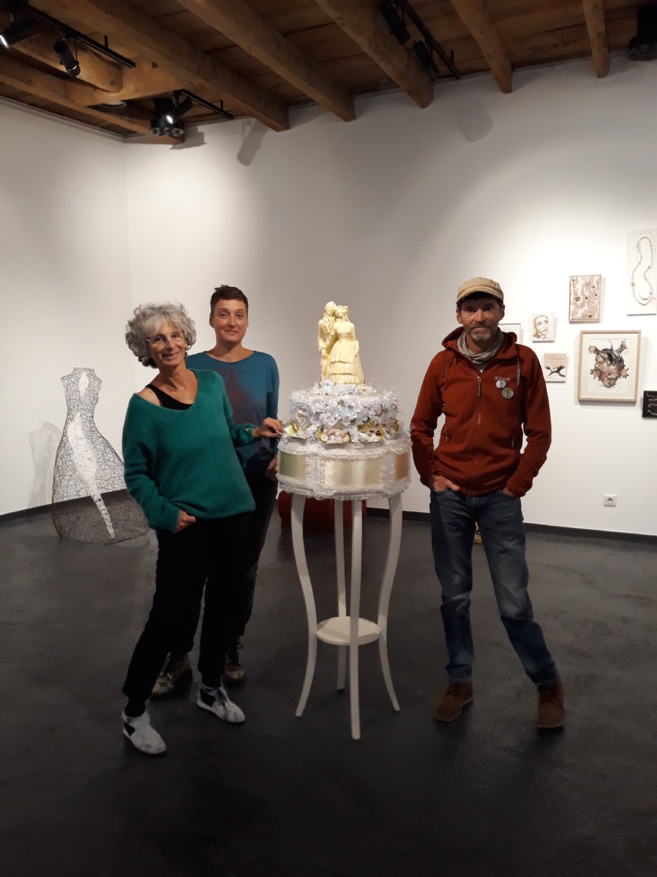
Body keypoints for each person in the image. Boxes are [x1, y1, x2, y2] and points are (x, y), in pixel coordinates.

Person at [121, 302, 282, 755]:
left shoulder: (210, 383)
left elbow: (227, 430)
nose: (169, 344)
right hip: (186, 526)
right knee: (168, 617)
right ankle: (133, 713)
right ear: (145, 349)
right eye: (158, 339)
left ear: (187, 339)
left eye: (175, 335)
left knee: (223, 609)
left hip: (235, 513)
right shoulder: (144, 406)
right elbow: (136, 475)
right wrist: (164, 513)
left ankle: (211, 689)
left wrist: (254, 432)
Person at [410, 277, 564, 729]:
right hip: (451, 497)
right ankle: (460, 682)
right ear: (459, 315)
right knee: (454, 598)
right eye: (470, 308)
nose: (479, 316)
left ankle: (548, 684)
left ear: (501, 312)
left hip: (500, 497)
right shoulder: (442, 364)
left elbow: (540, 433)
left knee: (514, 603)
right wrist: (430, 476)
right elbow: (420, 427)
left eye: (487, 307)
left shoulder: (522, 362)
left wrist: (517, 484)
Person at [152, 286, 280, 697]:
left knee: (241, 572)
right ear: (210, 320)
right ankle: (178, 656)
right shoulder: (191, 366)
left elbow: (272, 418)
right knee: (189, 573)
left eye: (239, 314)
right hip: (200, 481)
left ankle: (228, 646)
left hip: (254, 481)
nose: (231, 322)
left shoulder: (265, 364)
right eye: (223, 314)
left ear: (247, 320)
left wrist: (280, 454)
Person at [328, 305, 364, 385]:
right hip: (339, 347)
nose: (337, 313)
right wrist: (325, 347)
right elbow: (331, 339)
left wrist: (356, 347)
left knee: (349, 365)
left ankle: (350, 385)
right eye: (336, 312)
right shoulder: (336, 325)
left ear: (344, 312)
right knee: (338, 365)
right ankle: (337, 385)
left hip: (349, 347)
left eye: (338, 311)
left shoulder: (351, 325)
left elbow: (353, 338)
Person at [318, 301, 337, 380]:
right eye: (329, 308)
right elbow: (320, 337)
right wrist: (322, 348)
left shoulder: (337, 321)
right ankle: (326, 381)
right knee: (325, 367)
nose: (330, 309)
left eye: (332, 308)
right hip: (327, 347)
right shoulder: (321, 323)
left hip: (336, 347)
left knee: (336, 367)